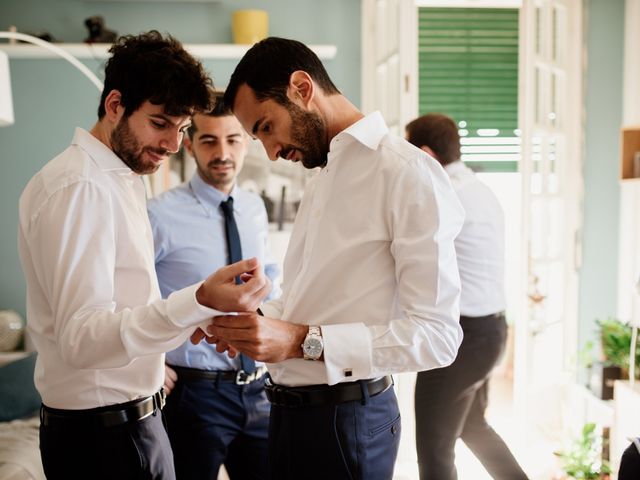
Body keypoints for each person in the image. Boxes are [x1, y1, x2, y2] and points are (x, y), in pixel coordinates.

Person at [190, 37, 466, 480]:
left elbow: (438, 337)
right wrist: (257, 320)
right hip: (286, 417)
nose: (271, 151)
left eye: (266, 127)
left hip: (347, 423)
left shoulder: (406, 173)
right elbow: (311, 300)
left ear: (301, 88)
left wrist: (299, 342)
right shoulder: (321, 174)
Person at [17, 31, 270, 480]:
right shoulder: (81, 187)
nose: (174, 145)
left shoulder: (119, 177)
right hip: (105, 440)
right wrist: (197, 301)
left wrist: (197, 319)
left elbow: (127, 307)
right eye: (159, 123)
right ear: (115, 105)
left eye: (183, 128)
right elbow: (81, 338)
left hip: (131, 425)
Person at [147, 91, 280, 480]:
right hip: (193, 396)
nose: (222, 152)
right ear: (188, 144)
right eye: (208, 140)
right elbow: (130, 297)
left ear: (246, 143)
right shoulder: (158, 215)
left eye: (233, 139)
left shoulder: (254, 207)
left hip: (260, 389)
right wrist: (147, 361)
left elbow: (269, 276)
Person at [406, 113, 529, 480]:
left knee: (434, 447)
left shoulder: (446, 197)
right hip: (491, 332)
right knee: (473, 427)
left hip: (462, 338)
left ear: (426, 154)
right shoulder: (478, 188)